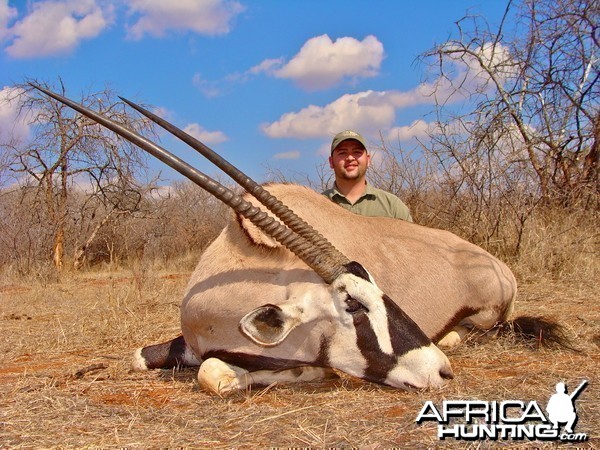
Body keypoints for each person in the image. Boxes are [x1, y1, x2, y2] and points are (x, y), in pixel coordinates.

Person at [322, 130, 413, 221]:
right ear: (331, 162)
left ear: (368, 160)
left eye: (357, 152)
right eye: (342, 153)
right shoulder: (317, 204)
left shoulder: (392, 206)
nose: (350, 158)